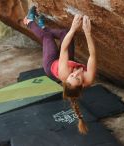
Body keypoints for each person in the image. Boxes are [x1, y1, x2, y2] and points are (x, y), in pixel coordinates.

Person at [23, 6, 96, 134]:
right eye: (77, 77)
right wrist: (87, 32)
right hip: (68, 62)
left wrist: (74, 28)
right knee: (65, 33)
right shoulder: (88, 79)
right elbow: (92, 55)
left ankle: (29, 22)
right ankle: (43, 26)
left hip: (51, 64)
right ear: (82, 84)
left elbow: (63, 49)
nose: (76, 73)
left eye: (72, 76)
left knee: (47, 37)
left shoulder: (64, 72)